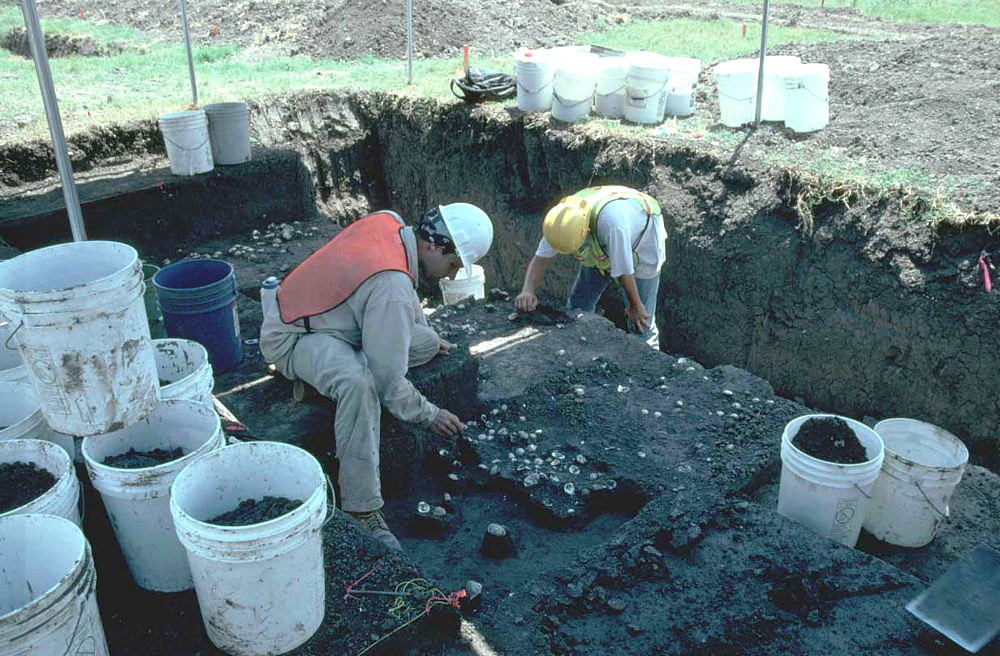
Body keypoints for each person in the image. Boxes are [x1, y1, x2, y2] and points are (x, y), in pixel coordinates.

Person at [259, 204, 494, 550]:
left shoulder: (394, 223)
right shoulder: (392, 287)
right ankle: (362, 509)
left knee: (427, 341)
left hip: (336, 321)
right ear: (434, 246)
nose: (449, 275)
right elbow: (386, 382)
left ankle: (339, 365)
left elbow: (403, 293)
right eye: (453, 264)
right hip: (293, 336)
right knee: (360, 383)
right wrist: (430, 414)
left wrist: (421, 333)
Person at [515, 185, 667, 349]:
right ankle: (578, 345)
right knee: (579, 305)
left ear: (585, 232)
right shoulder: (560, 222)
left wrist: (635, 305)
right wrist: (527, 290)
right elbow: (541, 258)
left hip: (643, 238)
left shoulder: (613, 226)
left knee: (640, 320)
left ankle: (648, 360)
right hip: (603, 235)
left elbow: (624, 270)